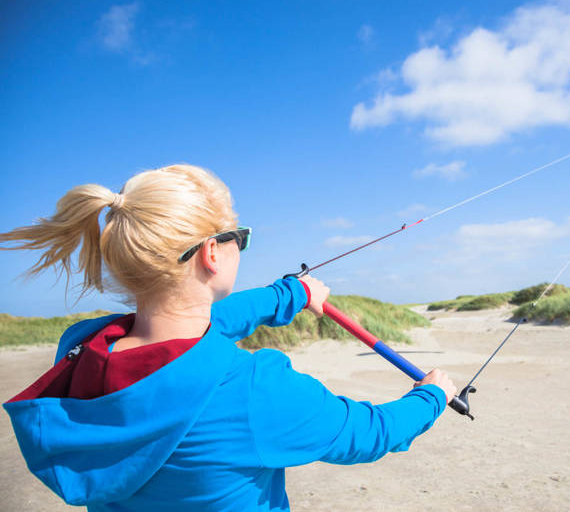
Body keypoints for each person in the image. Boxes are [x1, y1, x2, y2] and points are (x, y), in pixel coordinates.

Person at [1, 164, 456, 511]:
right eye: (239, 235)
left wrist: (291, 294)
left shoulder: (81, 348)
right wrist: (432, 395)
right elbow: (368, 433)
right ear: (212, 252)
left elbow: (196, 329)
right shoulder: (253, 388)